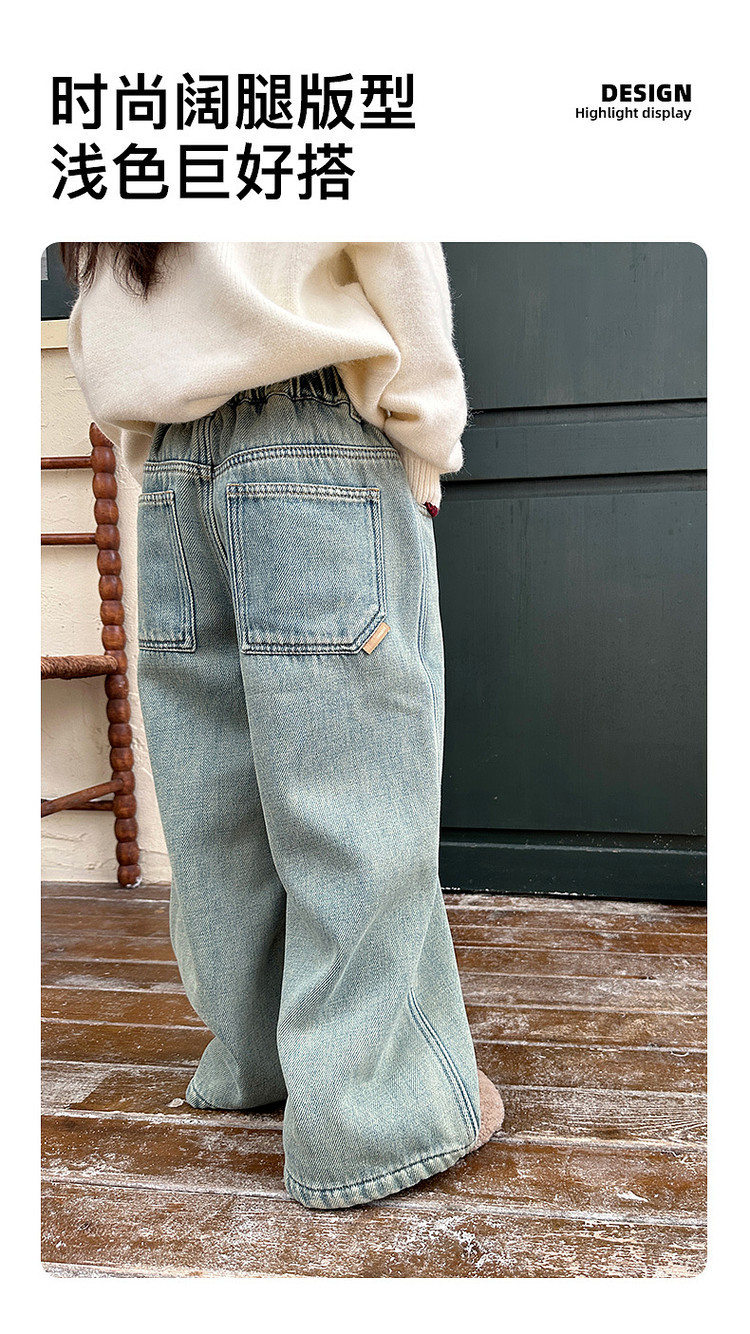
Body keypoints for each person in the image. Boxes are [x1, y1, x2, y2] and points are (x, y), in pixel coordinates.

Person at [64, 241, 505, 1210]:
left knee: (218, 806)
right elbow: (390, 240)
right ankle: (366, 1121)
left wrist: (163, 449)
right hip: (315, 439)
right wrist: (425, 428)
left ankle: (255, 1058)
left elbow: (101, 320)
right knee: (355, 805)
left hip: (173, 471)